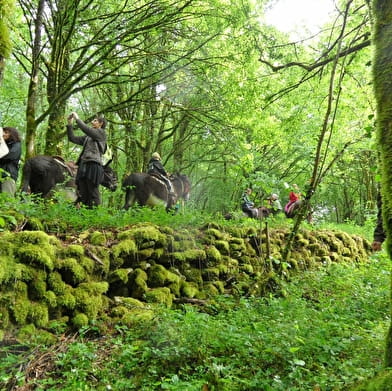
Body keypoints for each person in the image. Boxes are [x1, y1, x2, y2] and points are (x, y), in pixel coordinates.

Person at [66, 112, 107, 208]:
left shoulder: (101, 133)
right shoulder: (88, 137)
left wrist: (77, 118)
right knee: (83, 192)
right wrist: (69, 124)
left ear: (101, 124)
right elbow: (72, 138)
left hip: (93, 165)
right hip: (83, 165)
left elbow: (87, 130)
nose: (92, 122)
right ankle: (86, 216)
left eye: (95, 120)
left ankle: (96, 215)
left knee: (93, 191)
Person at [0, 126, 22, 197]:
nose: (3, 134)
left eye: (6, 132)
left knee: (7, 201)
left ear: (12, 134)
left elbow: (10, 156)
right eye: (3, 132)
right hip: (1, 175)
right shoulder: (3, 145)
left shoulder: (16, 145)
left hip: (8, 176)